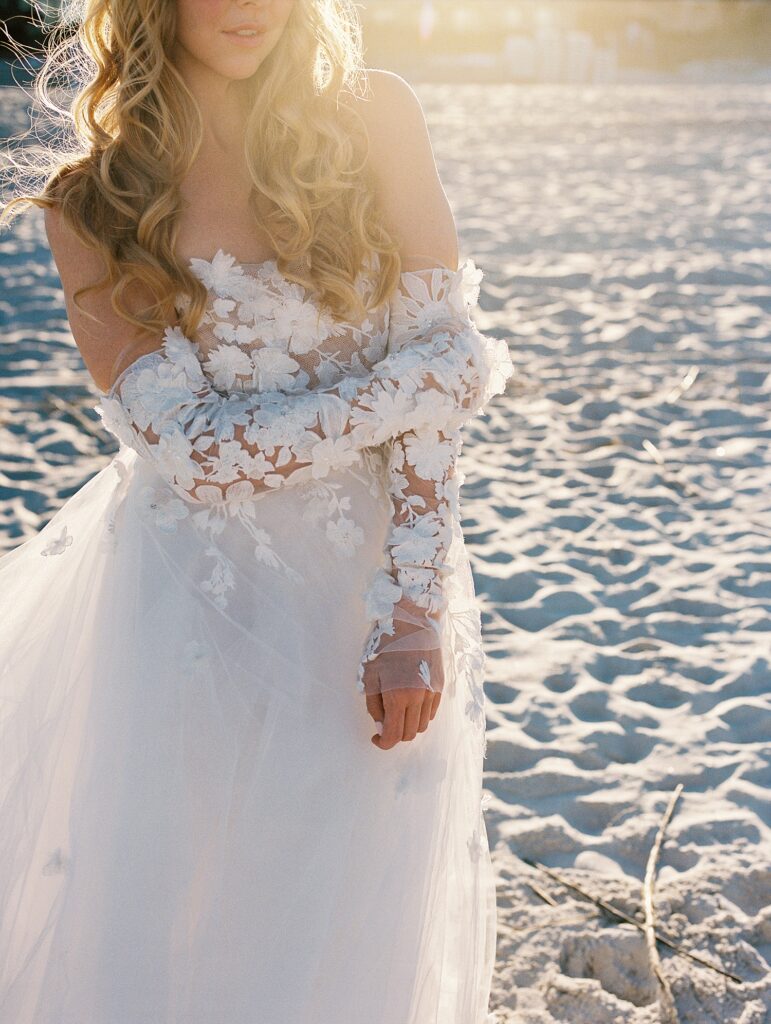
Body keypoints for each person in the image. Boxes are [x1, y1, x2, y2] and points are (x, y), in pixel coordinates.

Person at [0, 1, 513, 1021]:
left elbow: (447, 389)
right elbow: (196, 455)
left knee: (341, 907)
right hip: (184, 601)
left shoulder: (375, 118)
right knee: (187, 902)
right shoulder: (89, 200)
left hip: (364, 598)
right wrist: (405, 384)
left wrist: (413, 610)